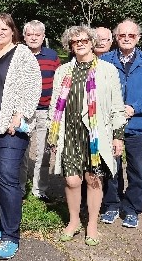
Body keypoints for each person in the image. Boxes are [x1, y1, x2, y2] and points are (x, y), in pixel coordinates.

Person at [48, 25, 126, 246]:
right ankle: (73, 222)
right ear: (70, 46)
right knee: (72, 180)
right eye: (75, 41)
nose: (80, 44)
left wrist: (117, 136)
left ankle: (91, 225)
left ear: (92, 42)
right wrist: (52, 136)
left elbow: (116, 106)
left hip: (96, 136)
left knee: (93, 180)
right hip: (70, 133)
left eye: (84, 40)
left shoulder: (107, 70)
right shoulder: (63, 71)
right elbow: (55, 104)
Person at [0, 15, 41, 259]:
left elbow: (33, 86)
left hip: (10, 129)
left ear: (13, 31)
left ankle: (11, 235)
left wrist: (19, 114)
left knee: (8, 179)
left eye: (4, 28)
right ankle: (2, 226)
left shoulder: (22, 54)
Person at [100, 19, 142, 229]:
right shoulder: (105, 61)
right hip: (110, 126)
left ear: (138, 38)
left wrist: (133, 108)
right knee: (111, 167)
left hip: (137, 125)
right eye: (122, 35)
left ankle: (132, 209)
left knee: (136, 169)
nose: (126, 39)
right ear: (116, 38)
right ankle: (111, 204)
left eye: (131, 35)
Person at [22, 20, 60, 201]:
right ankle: (20, 188)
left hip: (45, 111)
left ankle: (39, 190)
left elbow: (60, 83)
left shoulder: (52, 56)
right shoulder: (18, 55)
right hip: (23, 112)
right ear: (24, 37)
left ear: (43, 37)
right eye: (30, 34)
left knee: (43, 153)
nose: (34, 38)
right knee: (21, 152)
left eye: (37, 35)